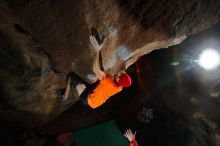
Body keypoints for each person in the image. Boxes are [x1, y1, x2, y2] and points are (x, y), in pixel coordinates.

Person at [59, 29, 132, 109]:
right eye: (124, 73)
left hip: (88, 99)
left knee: (71, 76)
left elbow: (95, 69)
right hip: (95, 95)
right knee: (86, 83)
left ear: (118, 79)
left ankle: (64, 98)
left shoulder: (108, 83)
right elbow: (123, 70)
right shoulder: (120, 87)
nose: (120, 73)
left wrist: (97, 51)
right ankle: (75, 87)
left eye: (120, 75)